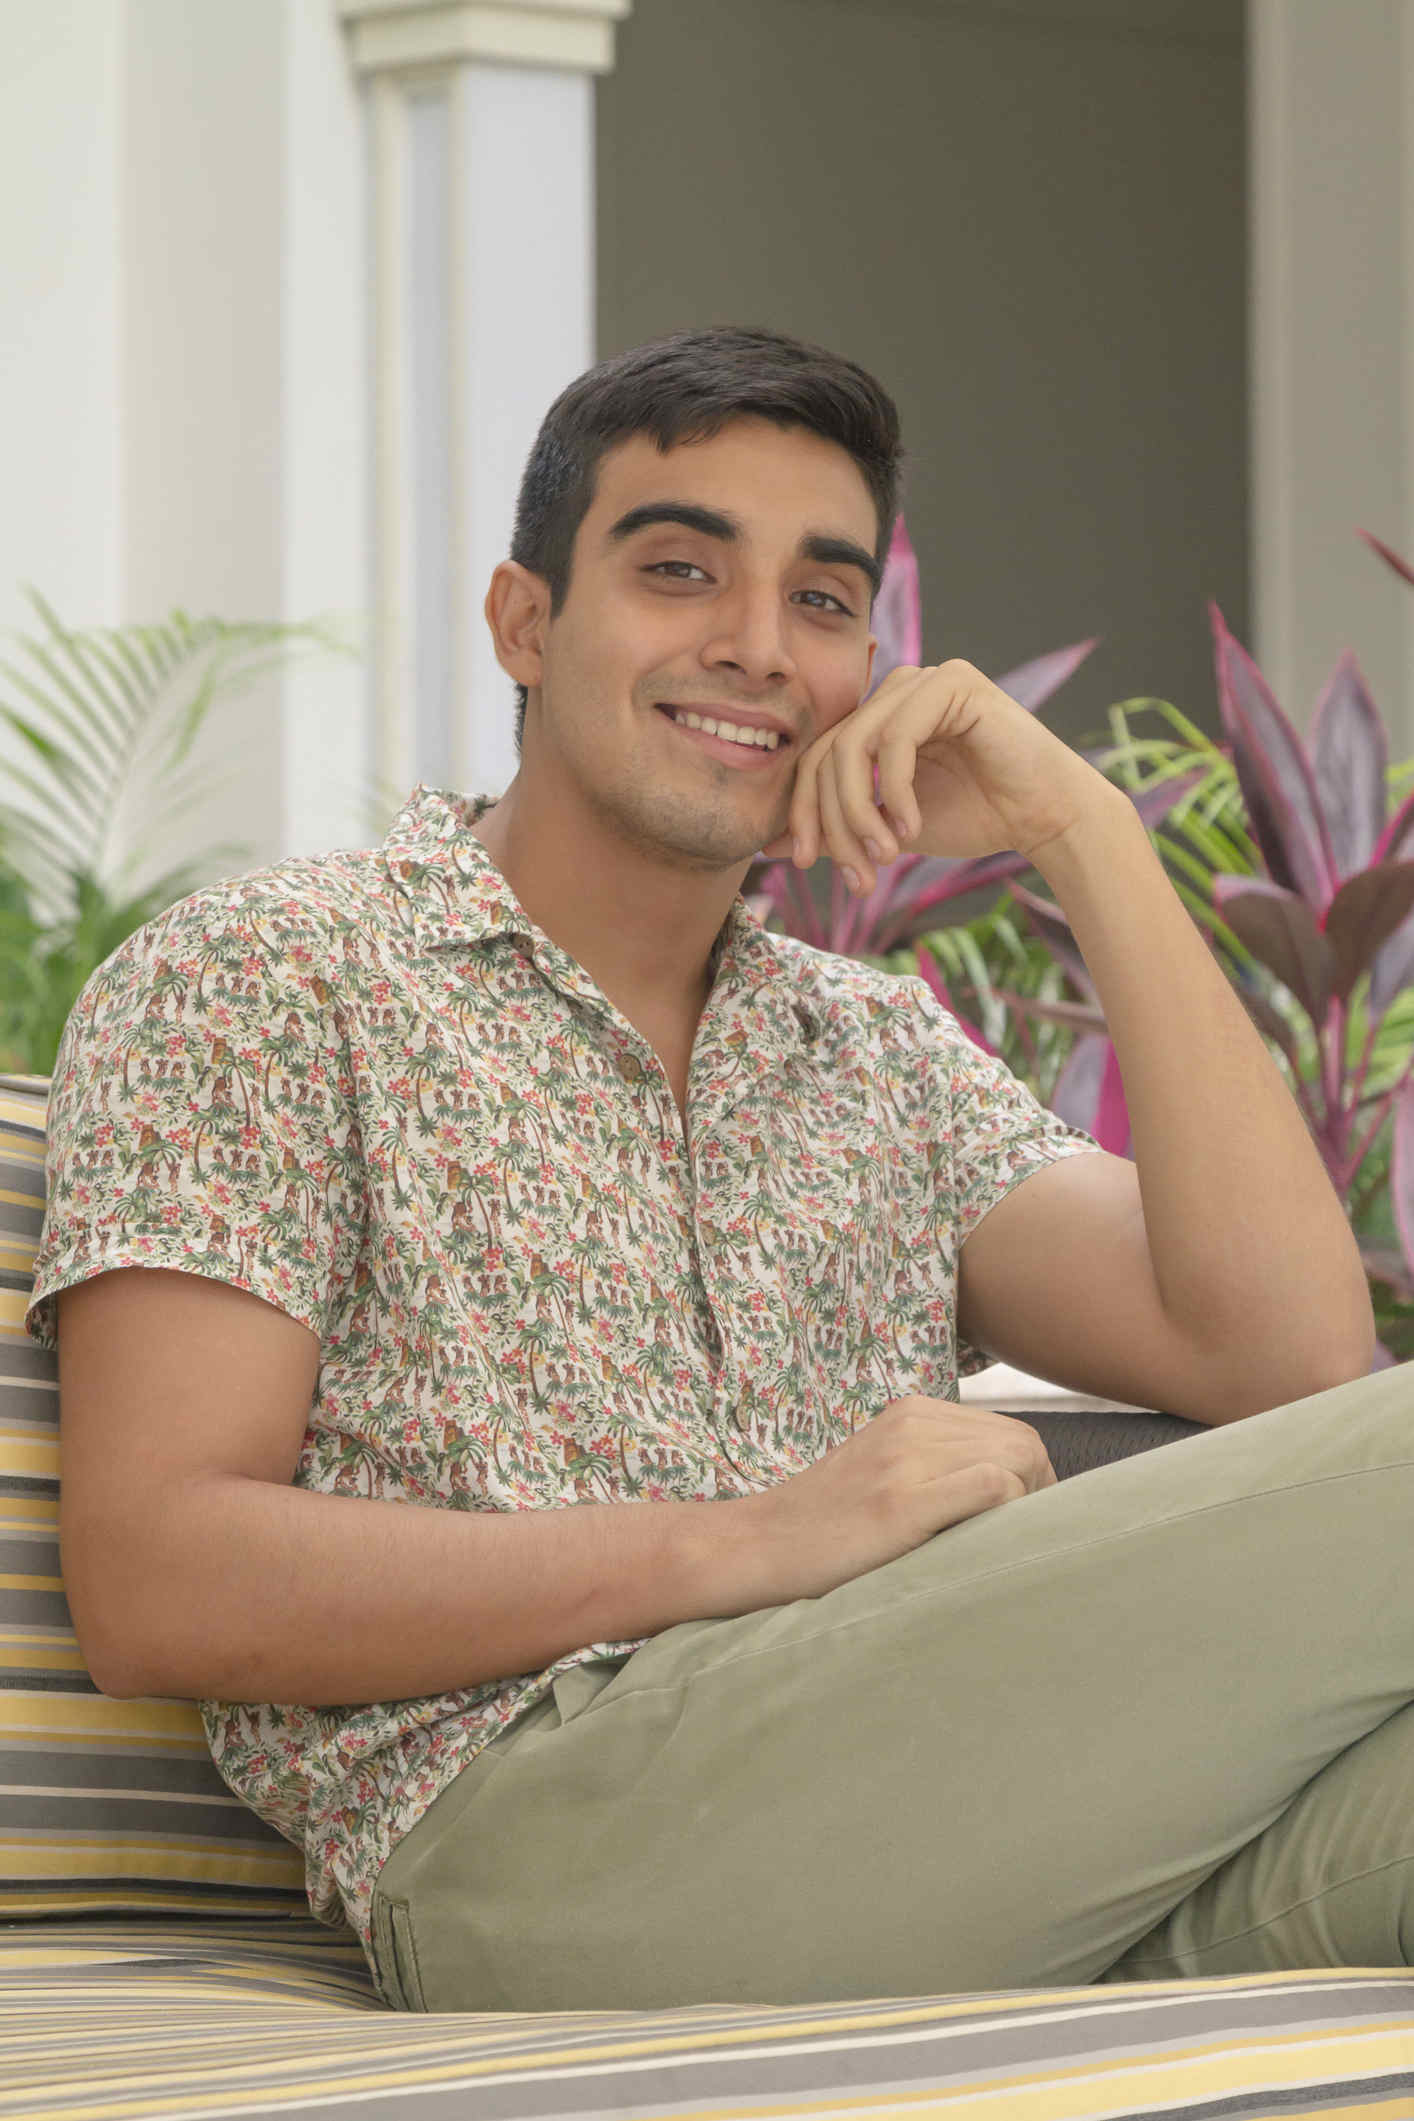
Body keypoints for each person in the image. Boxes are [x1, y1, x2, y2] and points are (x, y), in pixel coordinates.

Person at [28, 325, 1410, 2018]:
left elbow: (1284, 1358)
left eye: (822, 601)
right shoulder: (267, 974)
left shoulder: (873, 1051)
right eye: (679, 571)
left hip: (920, 1809)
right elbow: (160, 1575)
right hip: (534, 1839)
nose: (756, 646)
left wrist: (1084, 832)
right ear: (525, 620)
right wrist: (746, 1539)